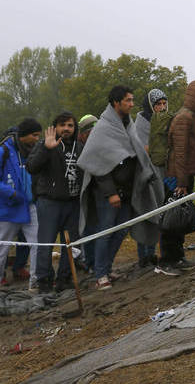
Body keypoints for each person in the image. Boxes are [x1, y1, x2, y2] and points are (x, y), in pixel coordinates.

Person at [78, 85, 164, 290]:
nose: (132, 104)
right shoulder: (103, 128)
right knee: (106, 232)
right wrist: (111, 193)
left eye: (133, 100)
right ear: (116, 103)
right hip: (108, 194)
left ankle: (106, 269)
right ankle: (100, 274)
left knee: (120, 232)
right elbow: (98, 163)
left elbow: (136, 154)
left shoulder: (128, 125)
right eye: (128, 101)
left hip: (128, 191)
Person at [158, 80, 195, 273]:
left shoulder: (193, 116)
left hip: (184, 174)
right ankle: (166, 261)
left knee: (180, 217)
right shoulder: (184, 118)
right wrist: (181, 182)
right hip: (177, 175)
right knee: (172, 219)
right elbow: (180, 152)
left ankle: (178, 257)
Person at [26, 112, 83, 292]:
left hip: (73, 203)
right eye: (62, 125)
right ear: (55, 127)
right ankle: (43, 281)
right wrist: (46, 148)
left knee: (71, 244)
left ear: (75, 129)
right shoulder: (46, 144)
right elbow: (31, 167)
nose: (66, 129)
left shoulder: (80, 147)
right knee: (46, 242)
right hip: (49, 202)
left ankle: (64, 279)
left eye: (70, 125)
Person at [0, 118, 41, 290]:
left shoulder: (32, 150)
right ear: (23, 135)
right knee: (2, 246)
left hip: (30, 205)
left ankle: (36, 280)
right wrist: (12, 193)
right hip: (8, 208)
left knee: (38, 243)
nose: (37, 139)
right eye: (34, 135)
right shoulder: (4, 151)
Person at [133, 89, 167, 266]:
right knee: (145, 214)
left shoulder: (164, 122)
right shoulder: (140, 124)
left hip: (161, 173)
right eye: (157, 104)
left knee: (159, 214)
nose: (161, 108)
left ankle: (154, 253)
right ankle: (144, 255)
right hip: (144, 176)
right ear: (150, 106)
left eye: (163, 104)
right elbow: (139, 149)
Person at [76, 114, 98, 271]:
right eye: (91, 132)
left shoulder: (98, 146)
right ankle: (87, 261)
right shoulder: (77, 149)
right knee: (86, 230)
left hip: (95, 194)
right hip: (79, 196)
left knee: (95, 230)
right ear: (82, 134)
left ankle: (92, 261)